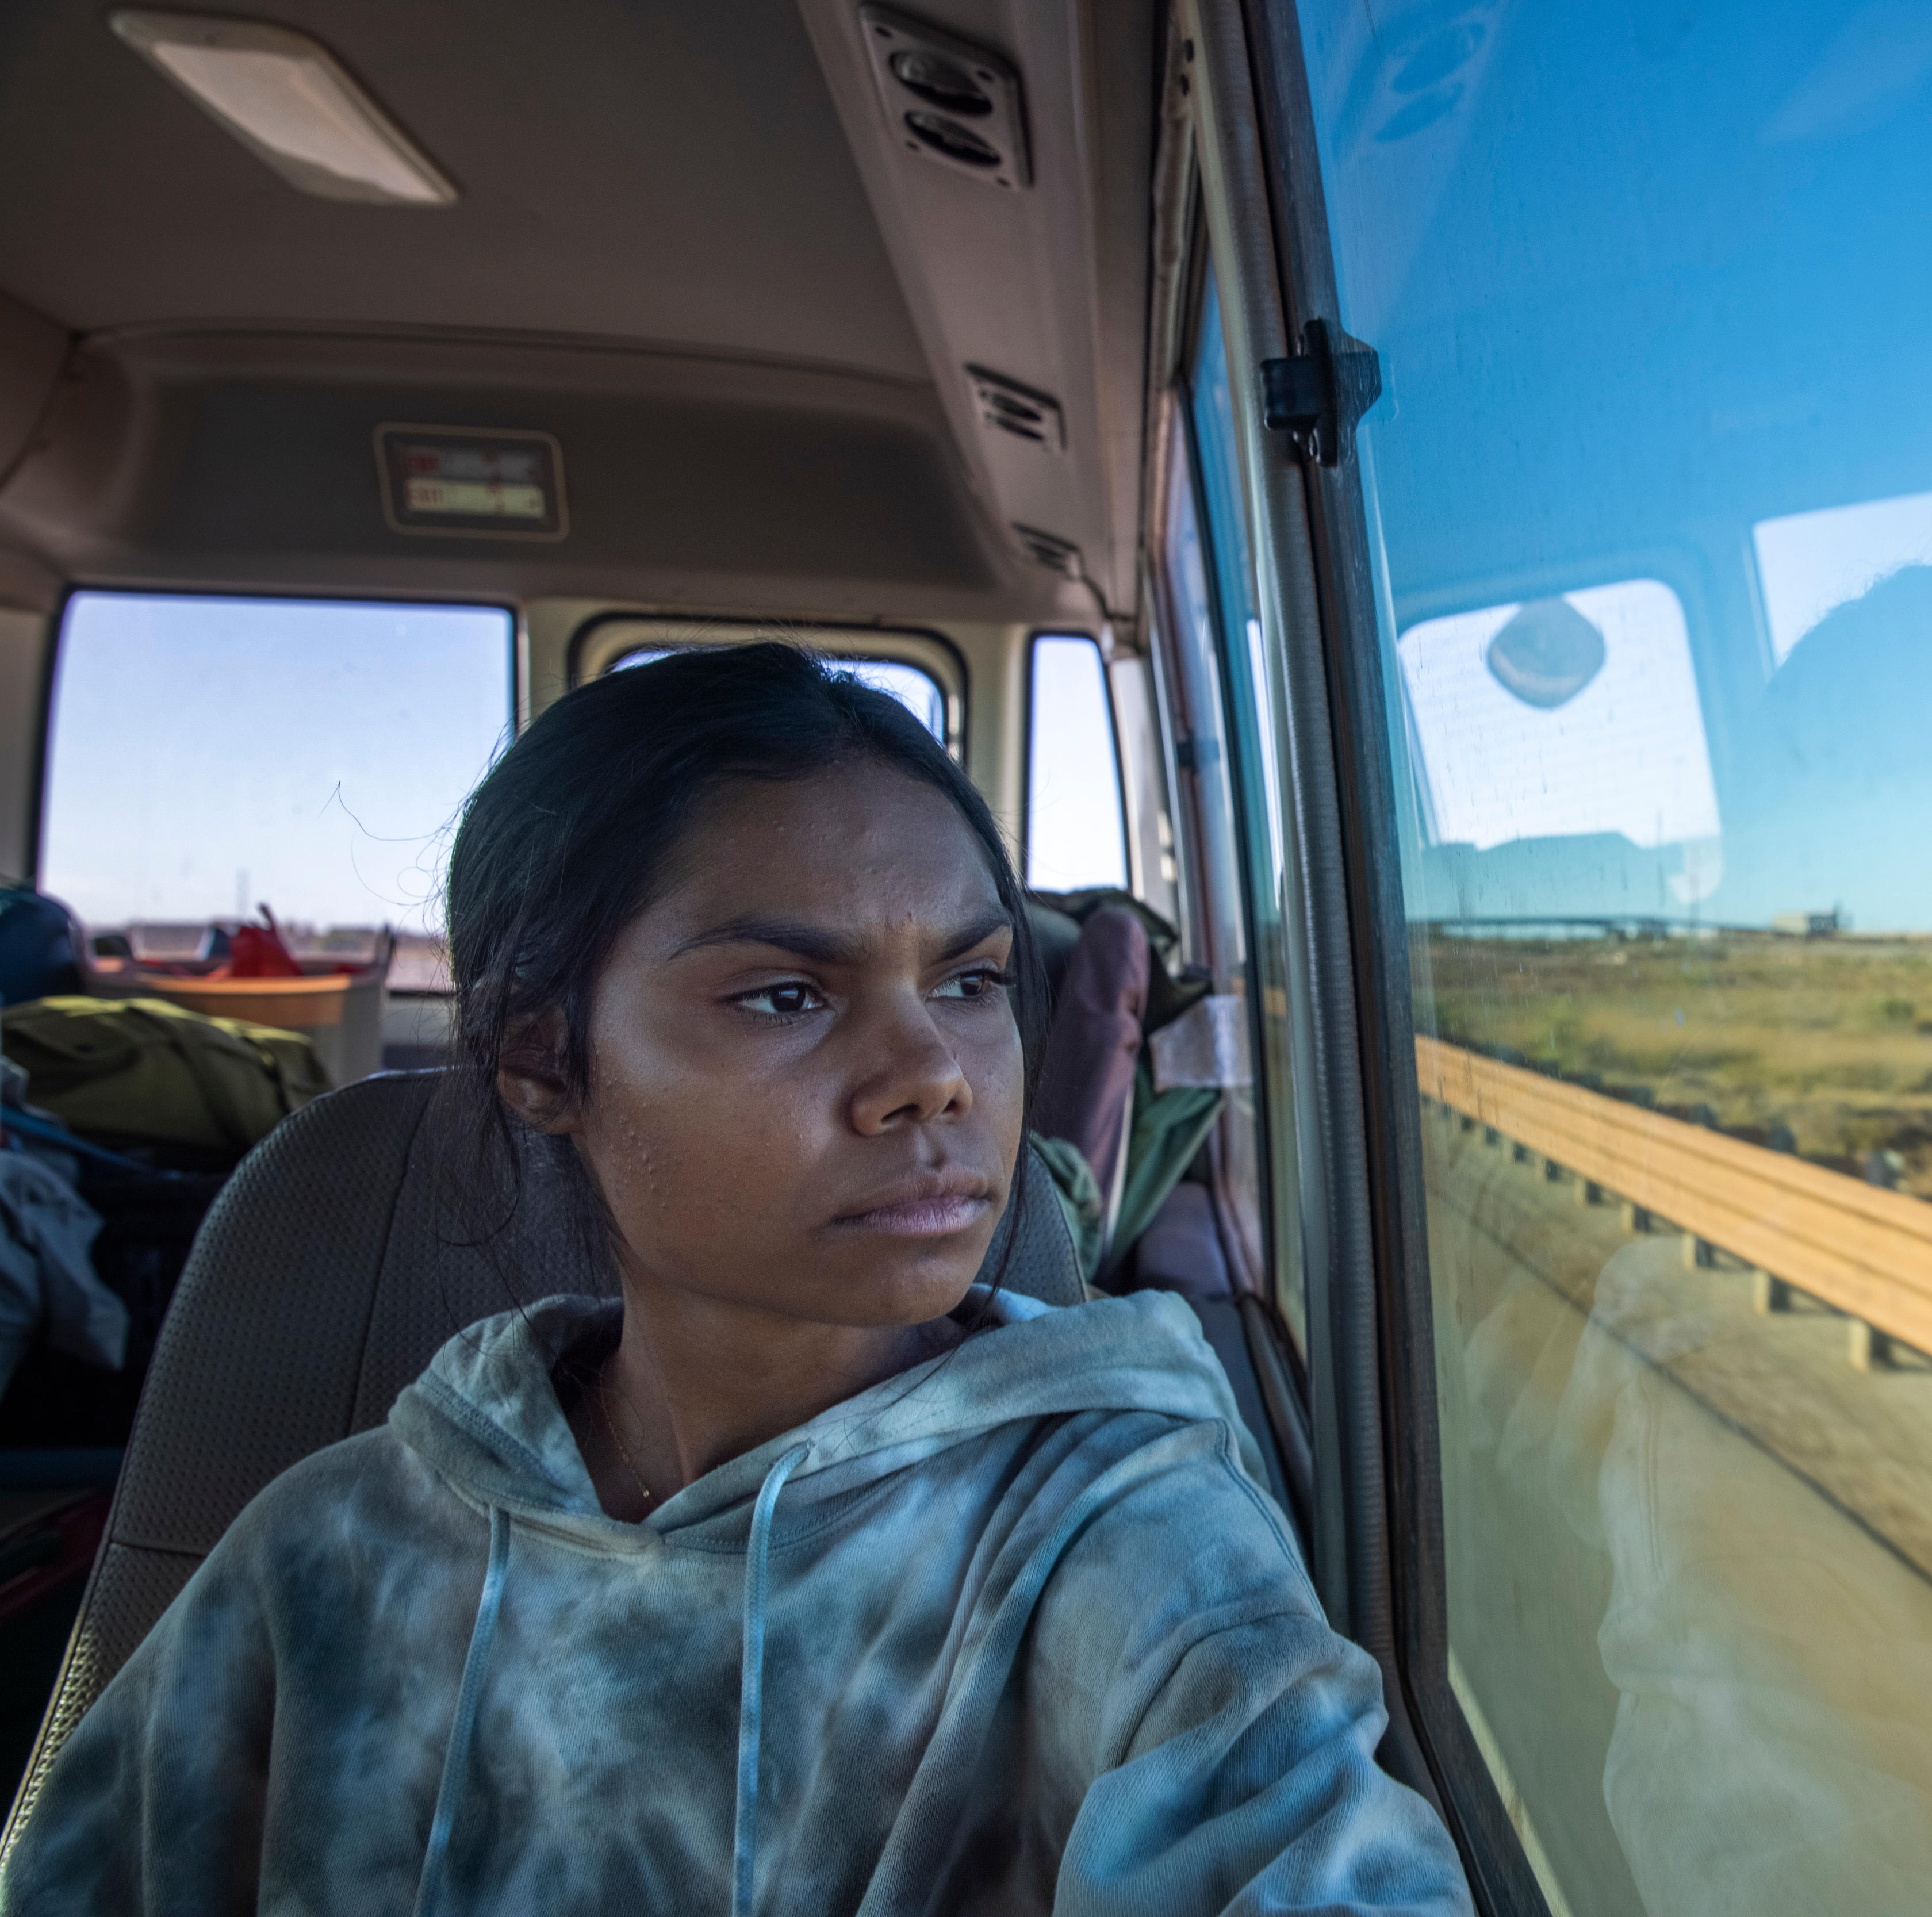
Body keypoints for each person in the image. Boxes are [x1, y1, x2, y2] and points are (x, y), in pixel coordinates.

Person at [1, 644, 1471, 1916]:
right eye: (785, 994)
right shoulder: (332, 1551)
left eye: (969, 982)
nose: (934, 1075)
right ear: (538, 1056)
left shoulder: (1121, 1536)